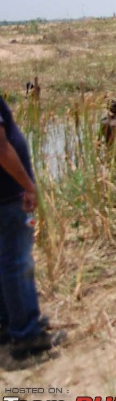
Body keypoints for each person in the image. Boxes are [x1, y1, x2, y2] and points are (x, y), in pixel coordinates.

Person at [0, 95, 65, 360]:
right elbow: (1, 148)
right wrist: (27, 185)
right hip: (7, 195)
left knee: (6, 261)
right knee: (16, 262)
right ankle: (26, 333)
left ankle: (10, 321)